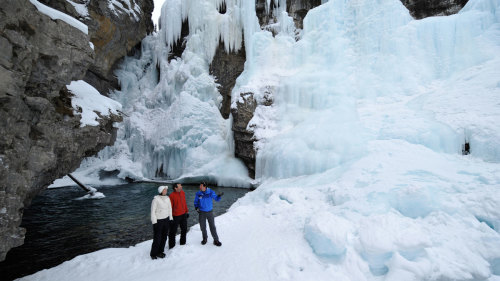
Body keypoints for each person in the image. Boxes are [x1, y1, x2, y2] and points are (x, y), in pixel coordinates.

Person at [194, 182, 224, 246]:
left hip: (210, 212)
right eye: (200, 186)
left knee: (212, 226)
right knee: (203, 226)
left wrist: (219, 196)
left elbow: (216, 199)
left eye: (201, 186)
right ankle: (205, 238)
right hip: (201, 212)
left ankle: (216, 240)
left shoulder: (210, 192)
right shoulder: (198, 193)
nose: (200, 187)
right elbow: (196, 202)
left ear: (205, 187)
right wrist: (196, 207)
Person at [150, 185, 173, 259]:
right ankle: (153, 253)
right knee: (157, 238)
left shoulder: (167, 198)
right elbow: (152, 212)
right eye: (164, 190)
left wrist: (171, 218)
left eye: (166, 190)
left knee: (164, 237)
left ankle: (160, 251)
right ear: (161, 191)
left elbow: (170, 208)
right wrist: (154, 222)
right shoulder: (155, 199)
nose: (166, 191)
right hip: (158, 221)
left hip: (166, 220)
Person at [168, 183, 189, 249]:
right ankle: (172, 246)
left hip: (183, 214)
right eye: (180, 186)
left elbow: (184, 203)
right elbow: (170, 207)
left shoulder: (183, 192)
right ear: (175, 188)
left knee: (184, 229)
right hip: (175, 216)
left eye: (181, 186)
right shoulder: (171, 196)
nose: (181, 187)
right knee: (173, 231)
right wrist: (170, 217)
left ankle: (183, 243)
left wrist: (186, 211)